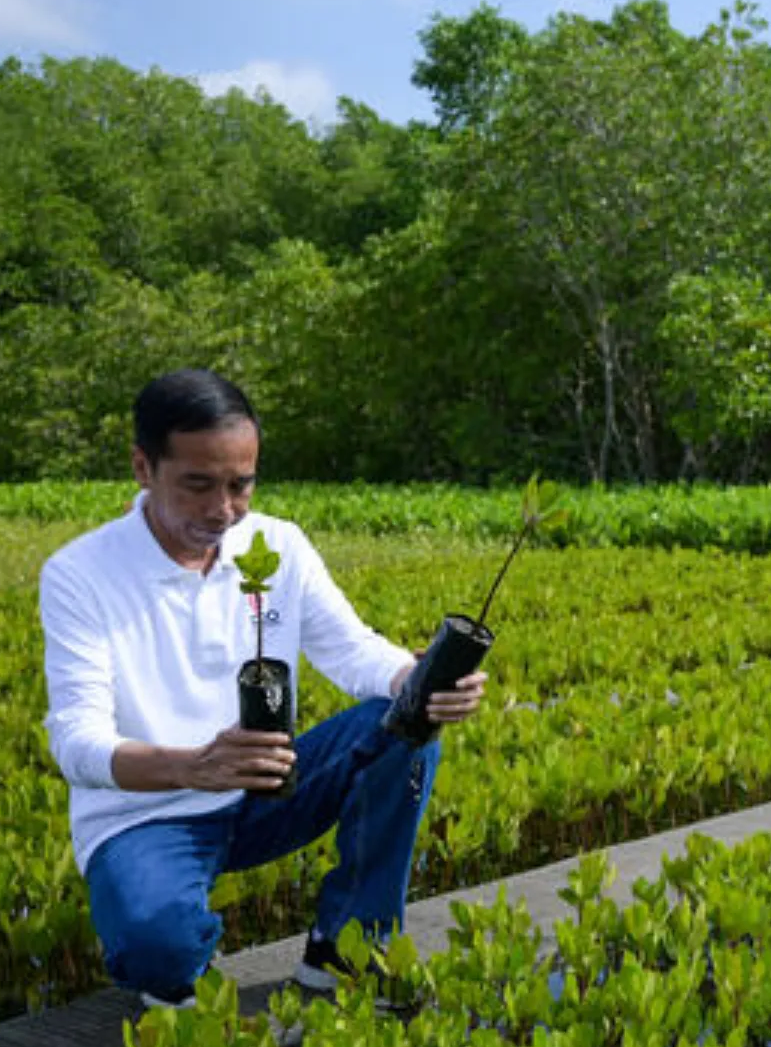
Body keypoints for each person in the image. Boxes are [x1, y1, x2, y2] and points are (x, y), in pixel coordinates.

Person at [39, 369, 486, 1005]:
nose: (222, 510)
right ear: (143, 466)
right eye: (197, 485)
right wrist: (196, 766)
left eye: (240, 485)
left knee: (405, 721)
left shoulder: (277, 545)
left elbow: (349, 646)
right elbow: (77, 743)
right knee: (157, 954)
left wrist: (418, 681)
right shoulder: (80, 573)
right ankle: (181, 949)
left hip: (267, 788)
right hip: (147, 814)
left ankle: (345, 950)